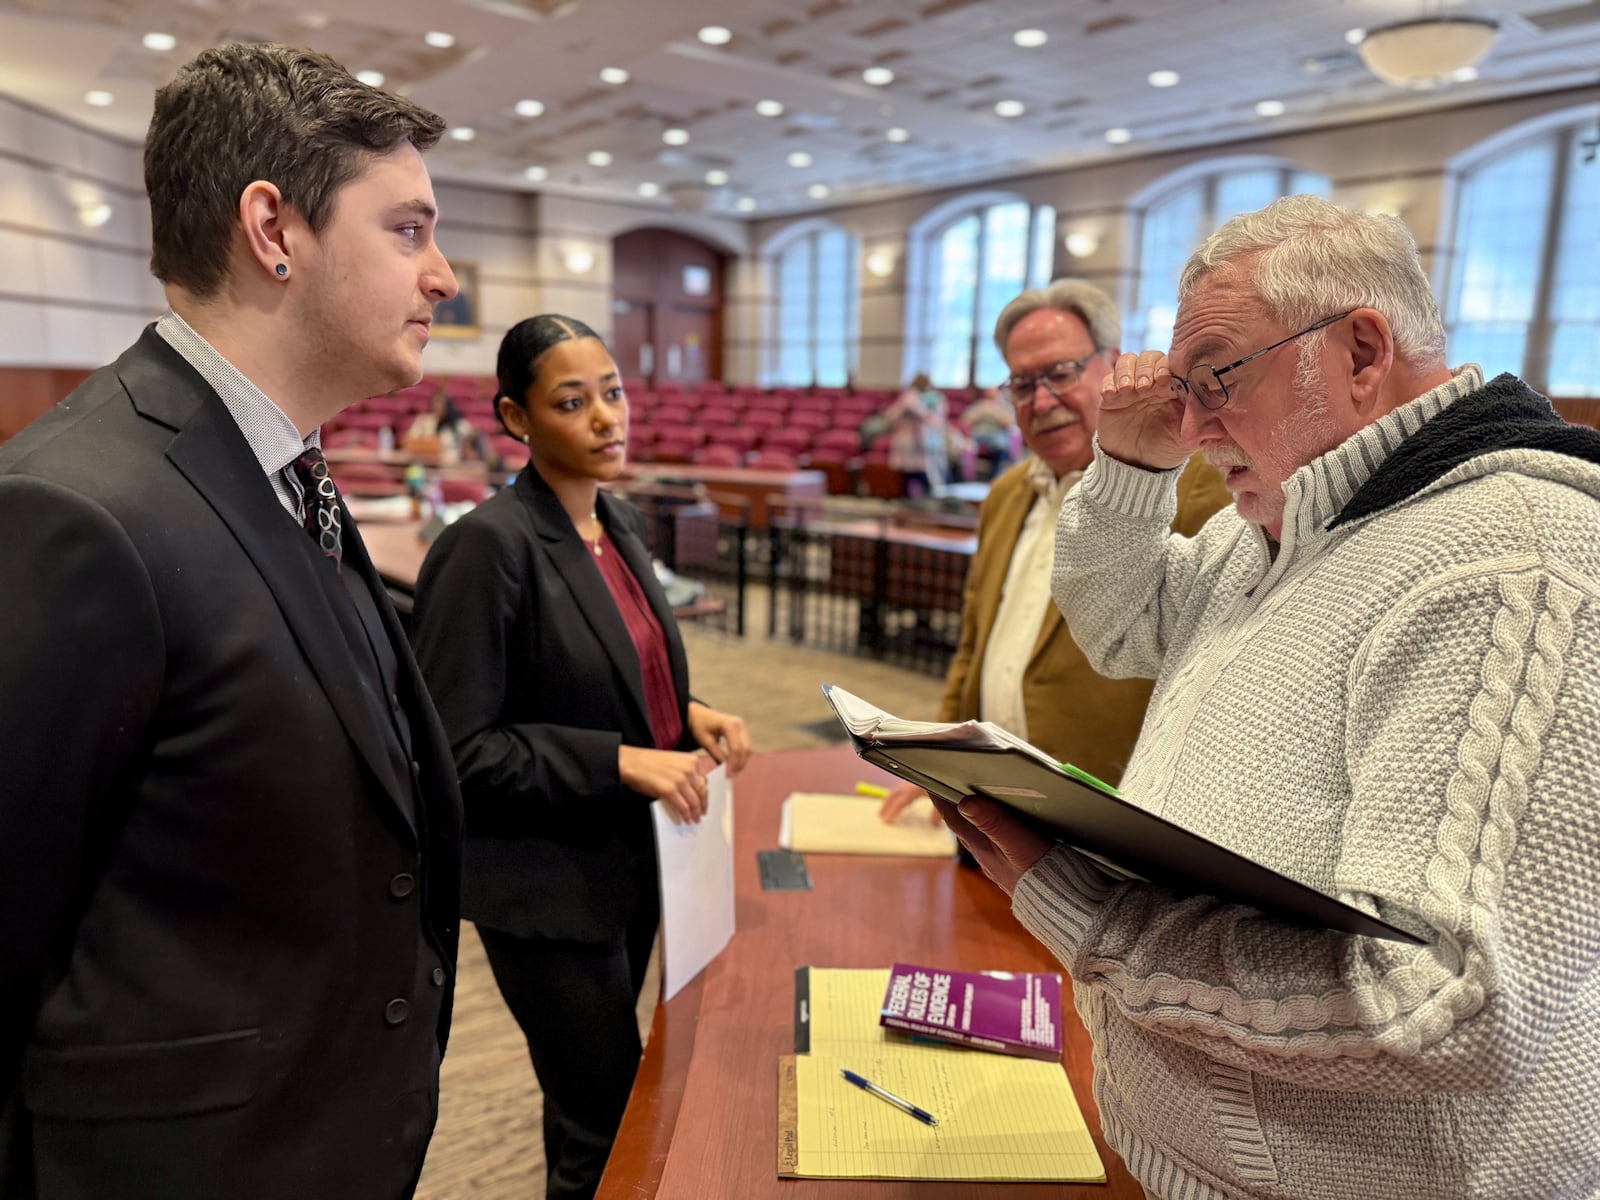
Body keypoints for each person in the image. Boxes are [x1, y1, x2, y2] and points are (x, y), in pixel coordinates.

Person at [940, 196, 1600, 1199]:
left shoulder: (1510, 562)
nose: (1193, 422)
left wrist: (1088, 918)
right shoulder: (1280, 529)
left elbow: (1444, 1003)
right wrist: (1127, 465)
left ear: (1360, 351)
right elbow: (1119, 629)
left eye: (1218, 379)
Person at [0, 43, 463, 1199]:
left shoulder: (284, 464)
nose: (444, 273)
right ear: (275, 230)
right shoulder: (76, 508)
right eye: (408, 229)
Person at [410, 314, 752, 1200]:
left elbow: (616, 669)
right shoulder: (486, 547)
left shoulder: (619, 520)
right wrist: (623, 761)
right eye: (572, 402)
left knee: (586, 1107)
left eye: (613, 393)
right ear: (515, 419)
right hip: (546, 891)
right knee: (607, 1126)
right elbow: (455, 749)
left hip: (629, 868)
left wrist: (692, 715)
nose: (608, 419)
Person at [880, 279, 1229, 824]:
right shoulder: (1007, 492)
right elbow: (973, 644)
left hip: (1112, 820)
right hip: (991, 807)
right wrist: (939, 765)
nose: (1041, 400)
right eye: (1022, 384)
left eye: (1061, 373)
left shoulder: (1201, 488)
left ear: (1113, 362)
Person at [885, 371, 949, 497]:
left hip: (925, 443)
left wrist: (918, 407)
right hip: (907, 444)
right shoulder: (907, 398)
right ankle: (907, 503)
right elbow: (890, 417)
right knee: (906, 476)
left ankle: (929, 502)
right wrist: (907, 404)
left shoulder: (934, 398)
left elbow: (935, 420)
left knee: (926, 477)